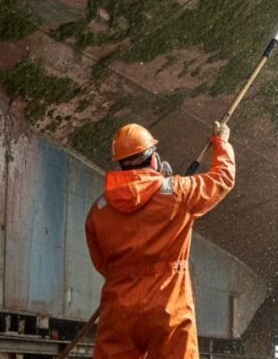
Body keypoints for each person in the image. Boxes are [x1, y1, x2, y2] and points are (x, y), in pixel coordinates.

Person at [85, 121, 235, 359]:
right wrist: (221, 143)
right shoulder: (177, 192)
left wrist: (126, 279)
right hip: (169, 308)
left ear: (121, 164)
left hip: (119, 309)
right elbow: (222, 179)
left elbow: (101, 262)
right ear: (153, 158)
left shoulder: (99, 210)